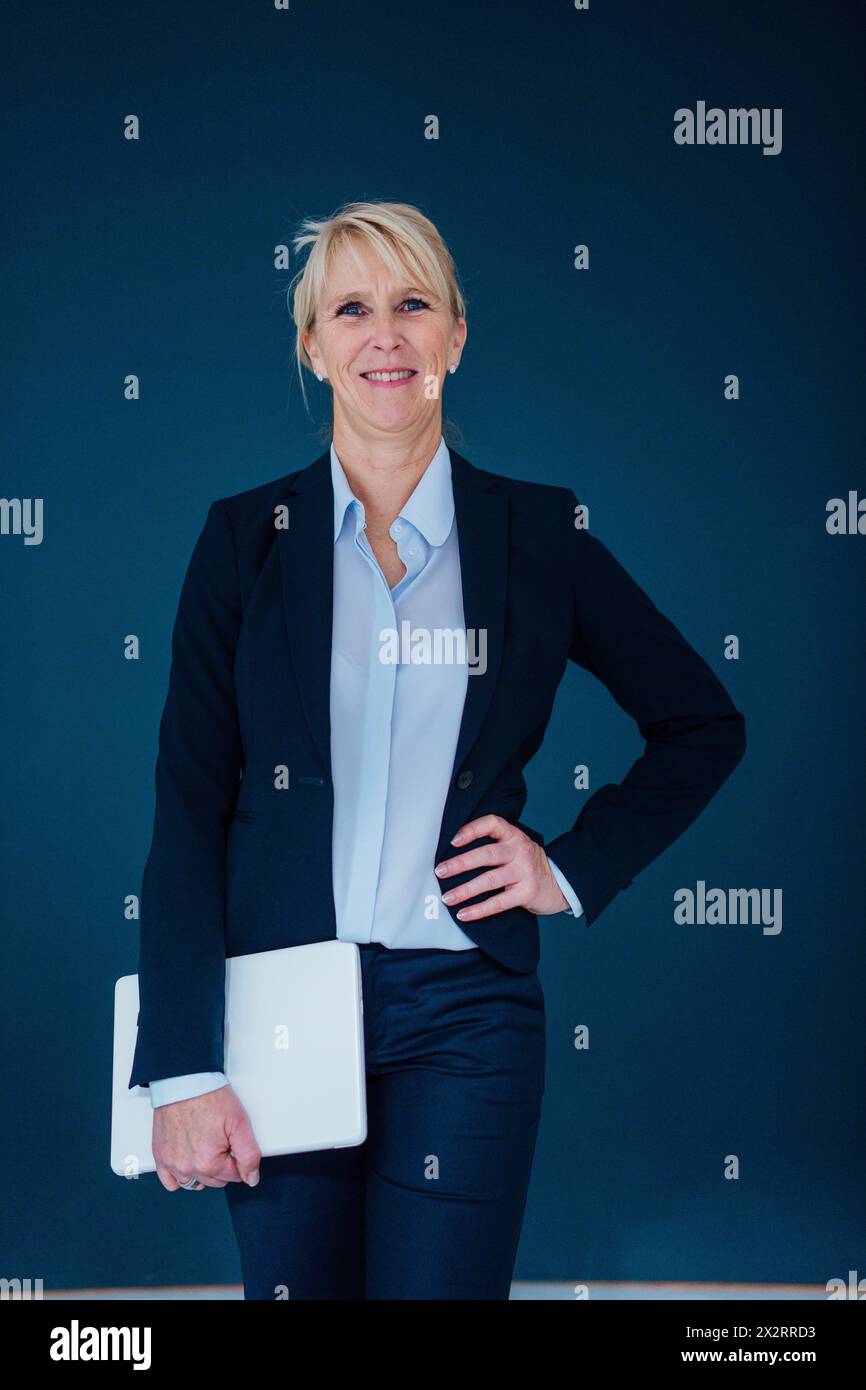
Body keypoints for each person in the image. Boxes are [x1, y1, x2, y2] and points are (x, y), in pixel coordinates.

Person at [128, 199, 746, 1299]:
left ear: (454, 336)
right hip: (280, 1011)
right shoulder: (241, 541)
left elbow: (701, 721)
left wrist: (565, 866)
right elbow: (185, 810)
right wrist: (180, 1065)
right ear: (313, 347)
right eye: (351, 308)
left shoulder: (538, 535)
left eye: (413, 304)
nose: (386, 334)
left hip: (465, 1012)